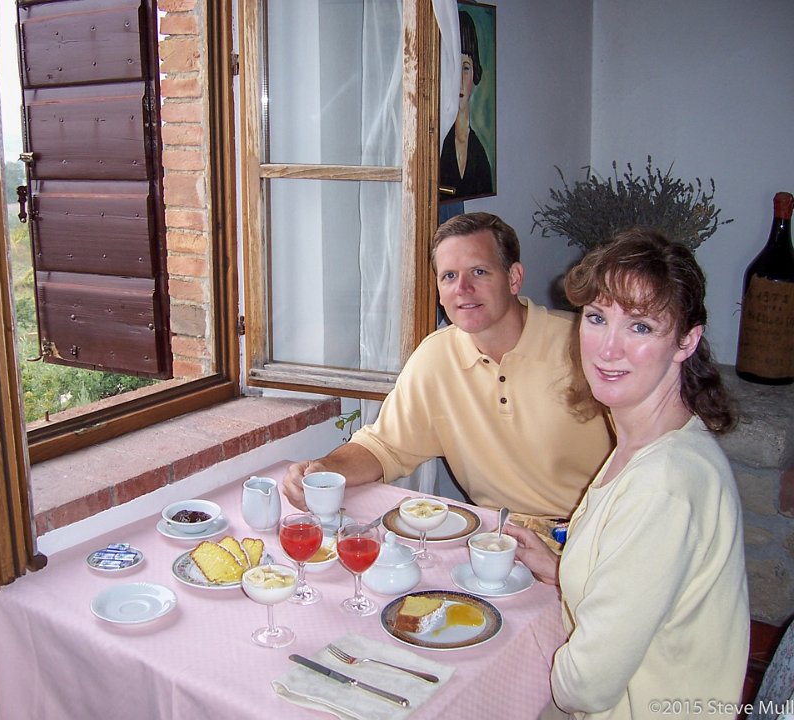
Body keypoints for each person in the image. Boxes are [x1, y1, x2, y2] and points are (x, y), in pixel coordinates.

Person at [505, 228, 749, 719]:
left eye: (640, 327)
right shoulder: (647, 442)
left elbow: (583, 688)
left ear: (686, 341)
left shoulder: (665, 484)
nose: (608, 348)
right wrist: (561, 571)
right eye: (597, 318)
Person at [282, 212, 613, 521]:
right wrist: (324, 469)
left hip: (590, 535)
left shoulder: (586, 345)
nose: (462, 289)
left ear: (513, 278)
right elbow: (385, 447)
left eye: (479, 272)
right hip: (497, 538)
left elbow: (639, 457)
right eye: (449, 276)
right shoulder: (436, 357)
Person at [439, 10, 493, 201]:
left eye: (466, 68)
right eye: (453, 69)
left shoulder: (479, 155)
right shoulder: (437, 144)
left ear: (475, 74)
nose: (459, 82)